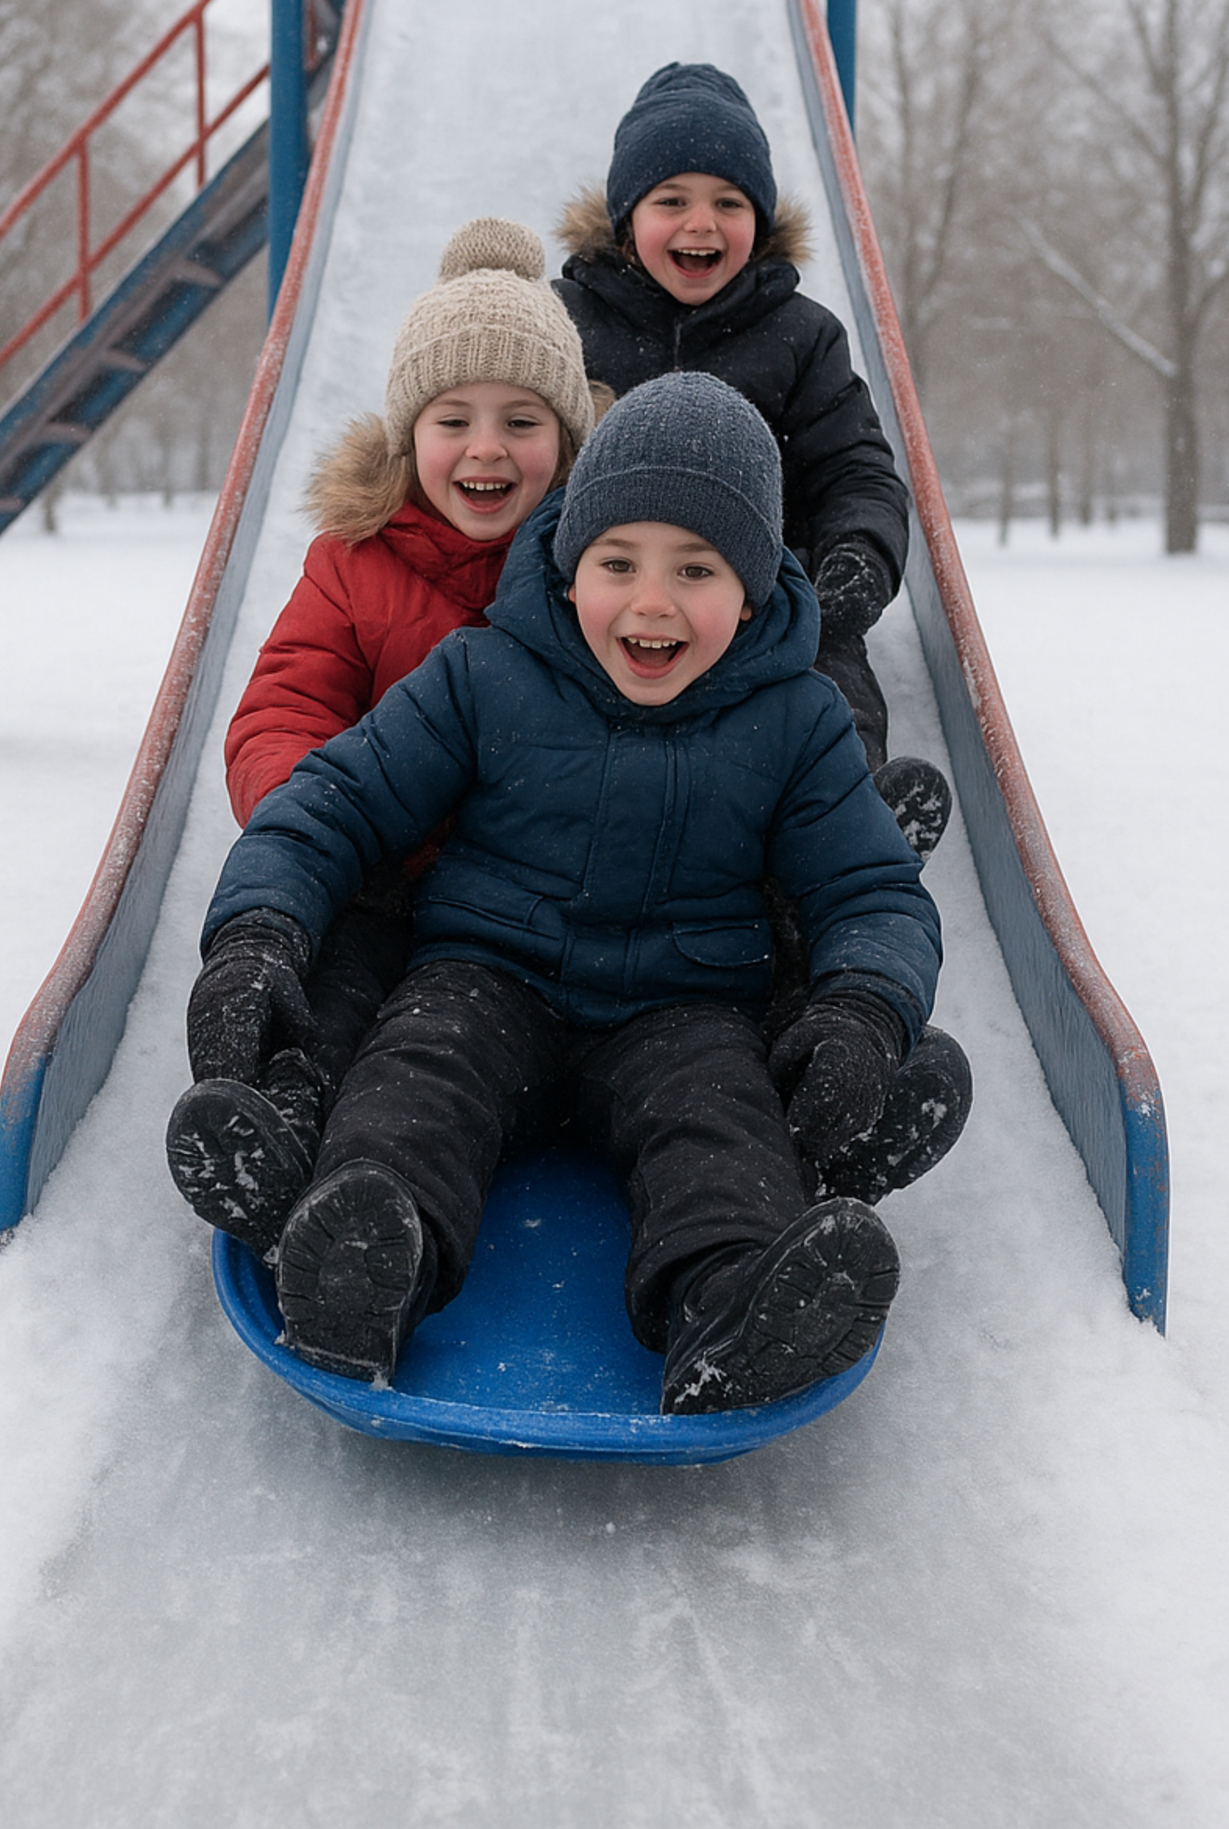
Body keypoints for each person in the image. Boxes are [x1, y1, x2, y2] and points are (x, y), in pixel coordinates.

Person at [194, 374, 951, 1416]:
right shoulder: (483, 672)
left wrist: (865, 1009)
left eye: (695, 568)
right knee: (415, 1086)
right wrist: (258, 932)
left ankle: (730, 1310)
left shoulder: (800, 720)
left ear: (754, 589)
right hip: (485, 974)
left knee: (720, 1132)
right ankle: (366, 1268)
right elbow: (335, 801)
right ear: (566, 559)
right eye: (617, 562)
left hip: (682, 1007)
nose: (650, 601)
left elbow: (872, 889)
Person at [164, 218, 599, 1262]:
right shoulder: (353, 566)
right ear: (409, 439)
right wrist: (323, 820)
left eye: (523, 419)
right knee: (340, 986)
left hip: (530, 902)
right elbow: (281, 711)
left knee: (443, 1043)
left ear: (573, 442)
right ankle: (281, 1127)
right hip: (385, 871)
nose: (486, 448)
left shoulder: (605, 574)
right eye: (454, 418)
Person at [554, 60, 951, 859]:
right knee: (543, 693)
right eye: (672, 201)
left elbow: (857, 471)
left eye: (728, 204)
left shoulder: (801, 337)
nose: (701, 225)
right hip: (603, 591)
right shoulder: (564, 324)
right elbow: (528, 447)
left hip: (767, 592)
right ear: (627, 215)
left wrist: (856, 559)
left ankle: (848, 830)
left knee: (825, 686)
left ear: (759, 222)